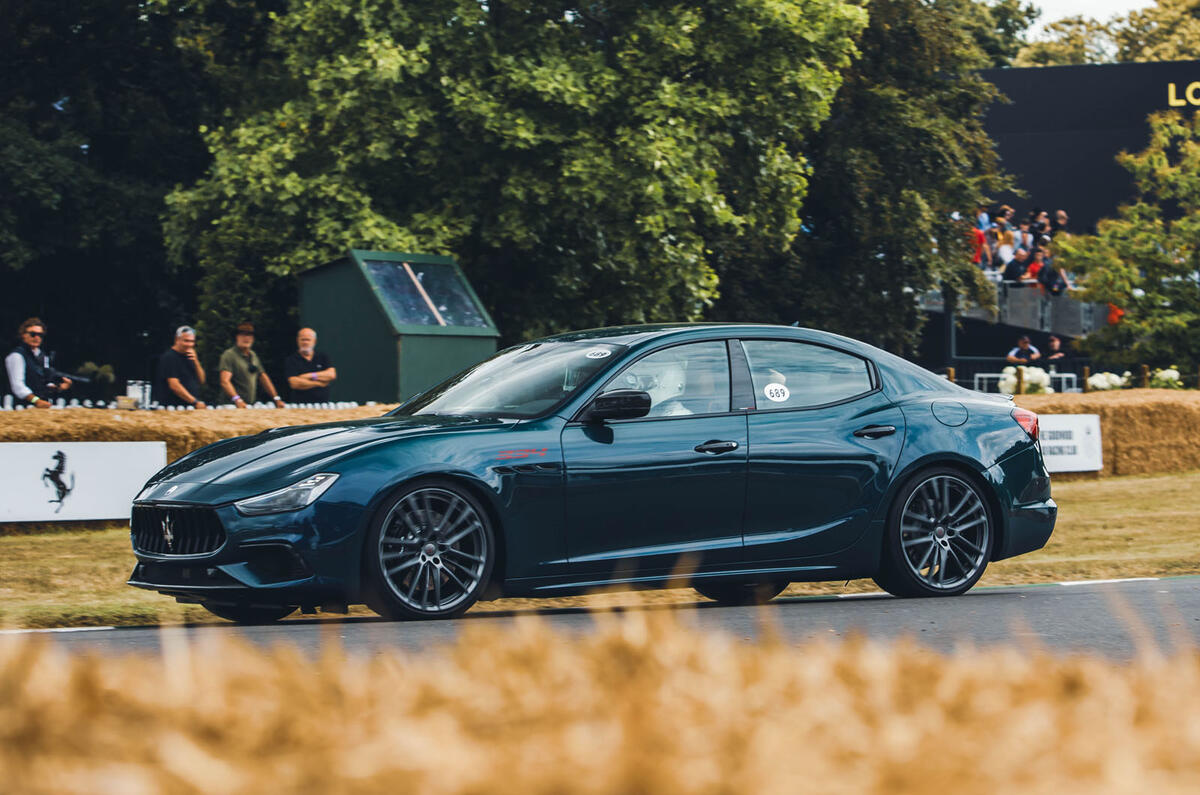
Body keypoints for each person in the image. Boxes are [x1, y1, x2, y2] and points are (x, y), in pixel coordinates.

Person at [5, 317, 71, 408]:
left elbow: (45, 381)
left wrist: (58, 387)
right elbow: (18, 387)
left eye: (40, 335)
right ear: (23, 335)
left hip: (39, 407)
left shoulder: (42, 356)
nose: (37, 337)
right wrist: (36, 400)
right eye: (33, 334)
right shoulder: (16, 356)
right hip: (18, 407)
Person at [218, 321, 285, 408]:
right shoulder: (229, 355)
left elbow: (263, 377)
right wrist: (237, 399)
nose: (246, 338)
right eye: (242, 334)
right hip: (231, 406)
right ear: (236, 337)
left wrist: (276, 398)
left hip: (249, 405)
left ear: (253, 338)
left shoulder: (253, 356)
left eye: (249, 335)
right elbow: (225, 381)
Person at [154, 325, 206, 408]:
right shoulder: (169, 357)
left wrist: (196, 362)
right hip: (173, 407)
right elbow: (174, 385)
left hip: (189, 406)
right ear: (176, 340)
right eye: (186, 341)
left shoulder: (190, 356)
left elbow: (202, 380)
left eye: (192, 341)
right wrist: (195, 402)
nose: (189, 344)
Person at [284, 327, 337, 404]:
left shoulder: (322, 357)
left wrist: (308, 376)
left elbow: (331, 375)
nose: (305, 342)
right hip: (300, 406)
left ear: (314, 341)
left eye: (308, 340)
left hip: (323, 405)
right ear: (297, 341)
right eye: (303, 339)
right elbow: (294, 383)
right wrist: (319, 383)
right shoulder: (291, 360)